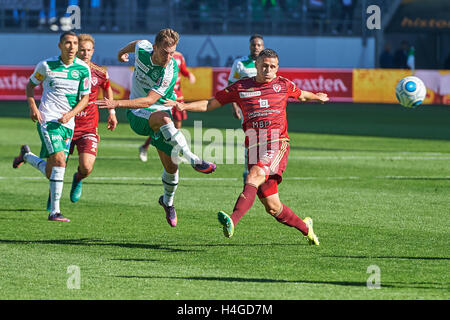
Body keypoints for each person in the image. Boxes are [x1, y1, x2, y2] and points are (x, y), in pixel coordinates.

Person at [165, 48, 328, 244]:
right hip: (253, 148)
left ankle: (232, 222)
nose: (268, 70)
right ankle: (306, 228)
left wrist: (317, 97)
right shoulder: (240, 87)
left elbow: (301, 95)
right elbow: (211, 104)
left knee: (253, 176)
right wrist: (184, 106)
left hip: (277, 143)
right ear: (257, 66)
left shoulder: (283, 85)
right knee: (273, 207)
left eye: (272, 67)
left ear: (277, 68)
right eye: (264, 65)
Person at [96, 28, 216, 228]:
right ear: (154, 47)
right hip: (137, 115)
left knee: (171, 166)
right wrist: (121, 53)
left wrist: (116, 103)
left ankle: (167, 202)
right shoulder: (143, 48)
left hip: (153, 109)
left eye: (172, 53)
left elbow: (150, 100)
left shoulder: (170, 70)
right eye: (164, 52)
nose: (168, 57)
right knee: (165, 120)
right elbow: (135, 44)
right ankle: (194, 158)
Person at [12, 31, 91, 222]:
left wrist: (71, 114)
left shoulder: (82, 69)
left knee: (51, 170)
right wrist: (33, 108)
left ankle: (27, 156)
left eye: (74, 43)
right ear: (60, 45)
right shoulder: (46, 66)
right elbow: (30, 86)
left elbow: (85, 98)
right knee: (60, 161)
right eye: (67, 43)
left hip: (68, 123)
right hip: (48, 120)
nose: (72, 47)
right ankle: (54, 211)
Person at [67, 33, 118, 203]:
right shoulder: (65, 71)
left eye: (88, 50)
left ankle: (78, 179)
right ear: (75, 50)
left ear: (93, 51)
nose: (85, 53)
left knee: (87, 167)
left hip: (88, 127)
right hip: (66, 124)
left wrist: (111, 113)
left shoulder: (100, 72)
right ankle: (54, 199)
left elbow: (107, 87)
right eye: (82, 50)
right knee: (56, 167)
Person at [138, 50, 196, 162]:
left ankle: (175, 151)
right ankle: (145, 147)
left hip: (177, 96)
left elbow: (183, 70)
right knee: (161, 126)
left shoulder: (180, 56)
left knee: (177, 126)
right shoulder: (160, 56)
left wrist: (189, 74)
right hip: (165, 96)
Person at [228, 34, 265, 183]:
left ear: (263, 46)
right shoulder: (240, 63)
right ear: (249, 46)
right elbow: (231, 85)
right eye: (253, 45)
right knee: (251, 138)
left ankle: (261, 171)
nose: (256, 47)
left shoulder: (267, 63)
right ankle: (247, 170)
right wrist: (234, 105)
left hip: (265, 107)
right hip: (247, 108)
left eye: (259, 45)